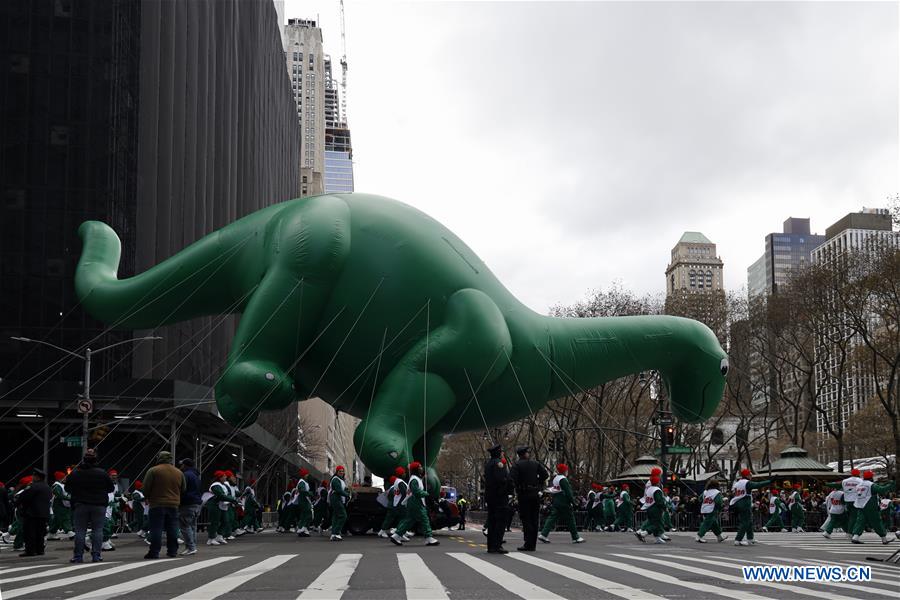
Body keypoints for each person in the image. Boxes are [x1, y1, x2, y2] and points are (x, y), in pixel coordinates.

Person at [65, 448, 114, 563]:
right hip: (99, 505)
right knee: (97, 530)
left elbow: (67, 488)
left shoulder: (76, 473)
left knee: (80, 531)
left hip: (80, 504)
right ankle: (96, 555)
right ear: (96, 460)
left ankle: (78, 556)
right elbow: (110, 488)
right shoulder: (102, 473)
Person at [142, 450, 186, 559]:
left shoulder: (153, 471)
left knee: (156, 529)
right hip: (173, 504)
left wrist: (147, 496)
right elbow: (184, 489)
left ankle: (154, 552)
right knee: (172, 529)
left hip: (157, 504)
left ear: (159, 458)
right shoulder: (178, 472)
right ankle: (172, 551)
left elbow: (146, 488)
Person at [390, 461, 439, 547]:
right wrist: (426, 493)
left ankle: (396, 536)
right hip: (416, 501)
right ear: (416, 469)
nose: (421, 468)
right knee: (424, 519)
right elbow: (416, 492)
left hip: (412, 502)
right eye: (420, 467)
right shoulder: (414, 480)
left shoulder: (415, 479)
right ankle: (429, 538)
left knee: (409, 520)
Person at [509, 445, 548, 552]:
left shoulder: (517, 465)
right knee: (534, 519)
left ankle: (528, 542)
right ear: (526, 454)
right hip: (535, 494)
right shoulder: (535, 463)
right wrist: (538, 484)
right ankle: (532, 544)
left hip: (524, 494)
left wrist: (517, 487)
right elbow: (545, 475)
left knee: (526, 519)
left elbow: (511, 479)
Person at [538, 464, 584, 544]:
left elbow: (554, 489)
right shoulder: (563, 479)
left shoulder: (555, 478)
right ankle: (575, 537)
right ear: (564, 471)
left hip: (556, 500)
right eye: (566, 470)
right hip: (564, 501)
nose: (567, 471)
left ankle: (543, 534)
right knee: (570, 519)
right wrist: (573, 502)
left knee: (552, 518)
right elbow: (568, 492)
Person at [850, 471, 895, 545]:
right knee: (877, 522)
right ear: (871, 477)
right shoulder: (871, 485)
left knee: (860, 521)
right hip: (870, 505)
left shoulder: (859, 485)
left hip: (860, 505)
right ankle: (884, 539)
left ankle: (855, 537)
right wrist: (891, 484)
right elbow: (881, 490)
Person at [730, 468, 771, 547]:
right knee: (745, 522)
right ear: (747, 475)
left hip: (738, 503)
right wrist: (769, 481)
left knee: (749, 521)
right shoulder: (746, 483)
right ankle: (738, 539)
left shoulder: (737, 483)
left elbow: (733, 493)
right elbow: (757, 485)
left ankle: (750, 538)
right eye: (750, 474)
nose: (751, 476)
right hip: (744, 503)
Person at [16, 468, 51, 557]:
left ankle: (30, 550)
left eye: (34, 476)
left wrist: (17, 503)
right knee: (40, 532)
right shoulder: (47, 487)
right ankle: (40, 550)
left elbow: (24, 497)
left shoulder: (33, 486)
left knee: (30, 532)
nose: (33, 478)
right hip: (43, 513)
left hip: (32, 513)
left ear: (37, 477)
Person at [483, 444, 510, 553]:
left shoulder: (488, 464)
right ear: (499, 453)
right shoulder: (499, 464)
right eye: (502, 451)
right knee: (500, 521)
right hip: (499, 496)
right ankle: (497, 544)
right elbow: (501, 480)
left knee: (492, 520)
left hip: (490, 495)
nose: (503, 453)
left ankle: (491, 546)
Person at [826, 469, 862, 539]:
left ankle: (849, 531)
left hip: (847, 501)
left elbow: (836, 484)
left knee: (849, 517)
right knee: (854, 518)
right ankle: (850, 533)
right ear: (858, 474)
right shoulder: (860, 481)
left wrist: (827, 484)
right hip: (856, 501)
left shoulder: (845, 481)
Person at [178, 458, 202, 555]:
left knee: (185, 526)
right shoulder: (196, 476)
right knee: (193, 526)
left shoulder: (185, 475)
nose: (181, 466)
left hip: (187, 503)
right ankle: (192, 546)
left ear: (185, 465)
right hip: (196, 503)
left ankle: (191, 547)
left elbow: (182, 489)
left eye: (182, 464)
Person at [635, 473, 667, 544]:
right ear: (657, 482)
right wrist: (665, 508)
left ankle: (657, 538)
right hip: (655, 509)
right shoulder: (657, 490)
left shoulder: (649, 489)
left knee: (653, 522)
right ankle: (644, 533)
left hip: (649, 508)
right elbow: (659, 501)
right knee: (656, 524)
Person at [377, 467, 406, 537]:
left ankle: (384, 531)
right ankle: (394, 530)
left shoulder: (393, 487)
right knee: (392, 519)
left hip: (392, 505)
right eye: (403, 473)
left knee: (391, 518)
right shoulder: (395, 487)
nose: (405, 474)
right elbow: (401, 494)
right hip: (393, 505)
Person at [207, 471, 234, 545]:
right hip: (215, 505)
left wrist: (232, 499)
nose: (225, 477)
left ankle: (219, 536)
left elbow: (227, 494)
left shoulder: (224, 485)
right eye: (224, 476)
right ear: (220, 477)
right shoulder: (215, 485)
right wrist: (232, 500)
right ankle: (211, 538)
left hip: (223, 505)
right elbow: (221, 495)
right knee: (214, 522)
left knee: (225, 521)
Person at [47, 471, 73, 540]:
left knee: (57, 520)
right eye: (64, 477)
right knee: (64, 517)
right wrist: (69, 498)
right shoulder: (56, 485)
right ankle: (69, 531)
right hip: (59, 505)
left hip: (63, 504)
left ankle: (51, 533)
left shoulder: (62, 485)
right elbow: (59, 495)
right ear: (59, 478)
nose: (65, 479)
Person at [328, 465, 351, 541]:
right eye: (340, 471)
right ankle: (336, 533)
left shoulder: (340, 479)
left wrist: (347, 490)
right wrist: (347, 495)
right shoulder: (335, 479)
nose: (341, 472)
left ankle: (334, 534)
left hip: (337, 498)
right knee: (343, 515)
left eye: (342, 471)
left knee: (336, 516)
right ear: (337, 472)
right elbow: (339, 490)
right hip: (336, 498)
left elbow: (342, 489)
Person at [295, 469, 314, 537]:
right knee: (308, 514)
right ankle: (302, 528)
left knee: (303, 515)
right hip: (303, 500)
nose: (307, 475)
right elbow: (302, 490)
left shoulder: (303, 481)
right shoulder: (302, 482)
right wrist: (310, 493)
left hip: (303, 499)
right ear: (303, 475)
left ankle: (303, 529)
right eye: (306, 474)